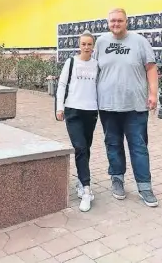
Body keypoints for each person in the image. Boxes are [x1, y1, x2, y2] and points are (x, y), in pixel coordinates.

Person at [93, 8, 159, 207]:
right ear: (108, 23)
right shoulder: (101, 42)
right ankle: (117, 179)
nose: (116, 24)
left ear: (126, 22)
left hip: (135, 106)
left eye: (119, 21)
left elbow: (151, 68)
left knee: (138, 147)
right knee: (112, 144)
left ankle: (145, 186)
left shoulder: (139, 42)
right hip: (108, 106)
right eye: (112, 21)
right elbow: (93, 69)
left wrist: (153, 94)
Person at [56, 31, 99, 212]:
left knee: (85, 149)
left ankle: (81, 182)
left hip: (91, 111)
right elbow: (62, 85)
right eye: (83, 44)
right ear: (79, 45)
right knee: (79, 147)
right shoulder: (71, 62)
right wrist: (59, 107)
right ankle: (87, 189)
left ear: (93, 46)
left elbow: (100, 87)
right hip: (73, 110)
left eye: (89, 44)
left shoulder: (97, 64)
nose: (86, 47)